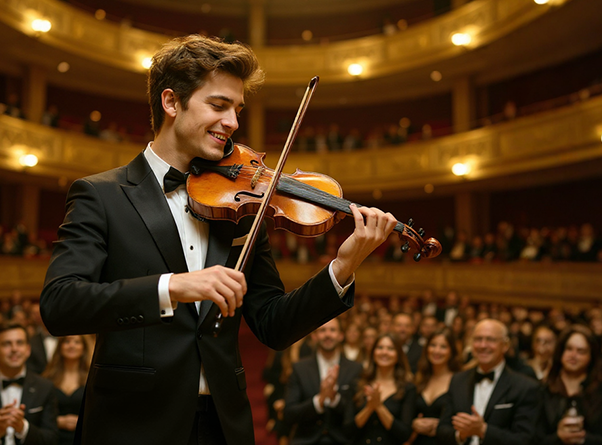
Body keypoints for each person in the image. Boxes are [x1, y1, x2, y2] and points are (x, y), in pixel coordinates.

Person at [39, 34, 398, 445]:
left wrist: (343, 266)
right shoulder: (100, 194)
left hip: (223, 427)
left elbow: (272, 325)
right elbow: (60, 303)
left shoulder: (240, 207)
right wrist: (172, 286)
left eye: (237, 109)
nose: (233, 122)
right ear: (171, 103)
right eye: (219, 105)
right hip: (133, 424)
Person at [437, 319, 541, 445]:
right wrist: (460, 435)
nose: (483, 345)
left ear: (505, 346)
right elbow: (442, 430)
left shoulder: (525, 387)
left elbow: (525, 440)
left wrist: (483, 430)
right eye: (478, 339)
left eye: (490, 340)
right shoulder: (458, 380)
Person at [283, 318, 363, 445]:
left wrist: (334, 399)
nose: (328, 335)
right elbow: (289, 414)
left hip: (343, 440)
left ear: (341, 336)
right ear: (314, 336)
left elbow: (358, 413)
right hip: (306, 440)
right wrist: (319, 400)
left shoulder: (355, 369)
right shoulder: (299, 368)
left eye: (332, 330)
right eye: (322, 330)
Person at [537, 325, 602, 445]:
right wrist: (558, 437)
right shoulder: (543, 389)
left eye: (581, 351)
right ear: (561, 352)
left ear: (591, 356)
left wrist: (583, 438)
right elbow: (531, 438)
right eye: (569, 349)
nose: (573, 355)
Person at [351, 333, 416, 445]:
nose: (384, 352)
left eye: (390, 349)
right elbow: (348, 431)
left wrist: (379, 407)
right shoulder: (358, 384)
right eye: (380, 347)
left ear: (398, 355)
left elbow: (405, 434)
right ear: (373, 353)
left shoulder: (408, 388)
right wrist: (369, 408)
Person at [41, 335, 92, 445]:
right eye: (67, 341)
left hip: (84, 437)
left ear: (84, 348)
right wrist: (57, 421)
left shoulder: (92, 378)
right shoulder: (47, 378)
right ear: (60, 347)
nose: (71, 346)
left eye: (77, 342)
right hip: (54, 437)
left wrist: (82, 422)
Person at [412, 329, 460, 445]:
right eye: (433, 345)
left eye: (443, 347)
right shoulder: (419, 378)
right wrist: (413, 423)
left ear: (451, 351)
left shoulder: (459, 381)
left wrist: (442, 427)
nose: (436, 351)